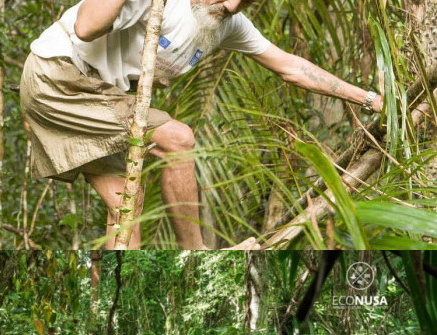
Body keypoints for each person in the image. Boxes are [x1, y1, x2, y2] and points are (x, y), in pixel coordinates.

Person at [20, 0, 384, 249]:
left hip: (100, 95)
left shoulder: (227, 24)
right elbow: (85, 28)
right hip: (59, 76)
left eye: (246, 1)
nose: (231, 5)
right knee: (177, 138)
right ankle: (194, 255)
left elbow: (291, 67)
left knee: (126, 202)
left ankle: (121, 291)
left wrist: (368, 99)